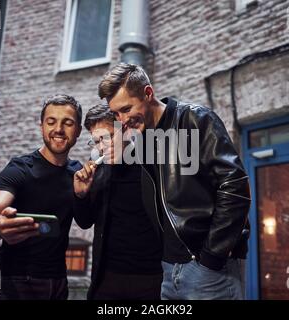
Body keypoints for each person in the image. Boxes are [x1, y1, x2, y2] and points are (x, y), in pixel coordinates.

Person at [98, 63, 251, 300]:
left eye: (126, 109)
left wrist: (211, 256)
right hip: (168, 271)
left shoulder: (195, 119)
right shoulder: (141, 138)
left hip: (206, 269)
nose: (122, 120)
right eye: (116, 114)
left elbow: (235, 186)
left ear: (148, 93)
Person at [0, 94, 83, 300]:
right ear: (42, 126)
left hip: (58, 282)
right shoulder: (20, 168)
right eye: (51, 122)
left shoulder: (78, 173)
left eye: (67, 123)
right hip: (15, 281)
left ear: (78, 130)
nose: (58, 129)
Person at [73, 104, 162, 300]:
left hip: (152, 276)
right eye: (97, 141)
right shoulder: (100, 168)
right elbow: (85, 221)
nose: (104, 146)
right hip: (107, 276)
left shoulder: (151, 161)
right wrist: (81, 195)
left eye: (109, 136)